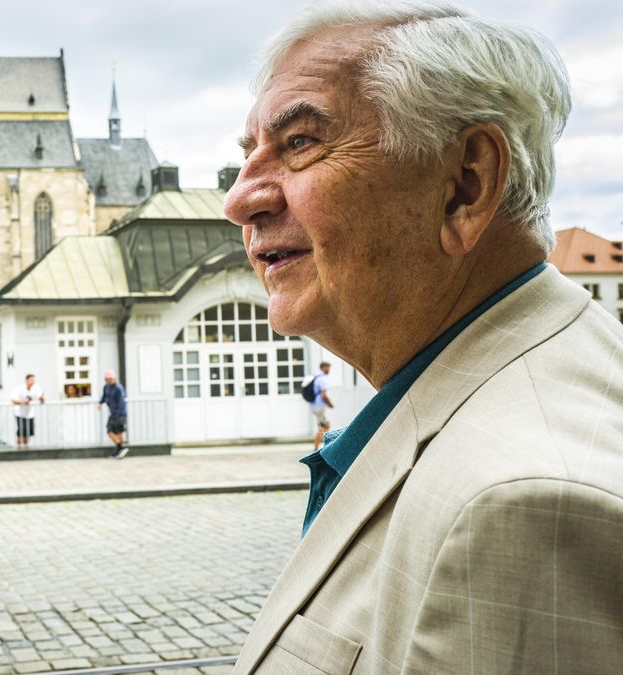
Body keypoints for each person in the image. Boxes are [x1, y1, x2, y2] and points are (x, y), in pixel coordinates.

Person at [223, 2, 623, 671]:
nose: (240, 198)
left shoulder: (518, 506)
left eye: (299, 144)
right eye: (248, 152)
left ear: (465, 185)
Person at [97, 370, 127, 458]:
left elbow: (121, 403)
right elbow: (104, 396)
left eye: (110, 379)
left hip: (119, 414)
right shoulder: (106, 387)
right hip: (112, 413)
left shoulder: (118, 388)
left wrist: (118, 415)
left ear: (114, 378)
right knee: (110, 431)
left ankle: (119, 450)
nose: (109, 380)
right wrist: (100, 403)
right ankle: (120, 449)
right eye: (107, 379)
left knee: (118, 432)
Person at [10, 373, 45, 446]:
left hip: (30, 414)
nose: (32, 382)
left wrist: (42, 398)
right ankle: (19, 447)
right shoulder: (19, 388)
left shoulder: (36, 388)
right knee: (21, 432)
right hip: (19, 413)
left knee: (28, 432)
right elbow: (13, 399)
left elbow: (41, 397)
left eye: (33, 380)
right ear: (26, 380)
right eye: (31, 380)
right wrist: (22, 402)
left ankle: (26, 447)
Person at [305, 362, 333, 451]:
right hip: (319, 406)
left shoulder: (315, 377)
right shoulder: (321, 379)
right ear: (324, 368)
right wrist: (330, 404)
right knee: (325, 427)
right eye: (328, 368)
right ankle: (323, 448)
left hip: (314, 406)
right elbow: (324, 395)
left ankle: (319, 447)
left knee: (323, 427)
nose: (329, 370)